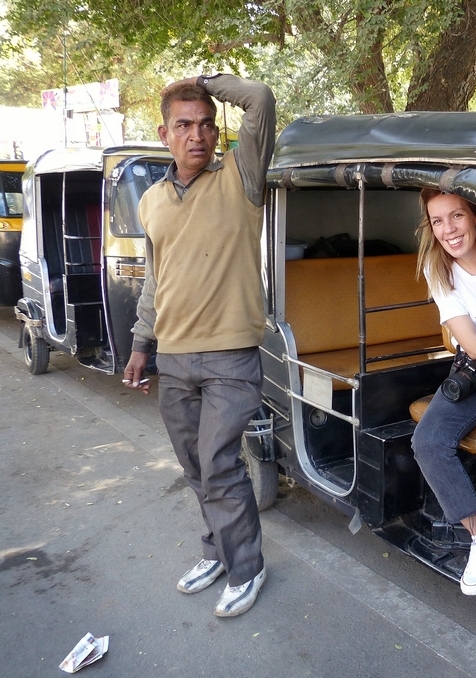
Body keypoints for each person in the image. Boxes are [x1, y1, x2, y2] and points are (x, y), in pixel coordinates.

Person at [123, 74, 276, 617]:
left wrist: (201, 82)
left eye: (207, 124)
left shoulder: (241, 177)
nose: (198, 135)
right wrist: (141, 344)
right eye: (184, 125)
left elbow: (260, 99)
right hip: (173, 356)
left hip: (231, 357)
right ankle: (217, 551)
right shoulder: (152, 202)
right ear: (164, 134)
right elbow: (155, 281)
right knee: (194, 466)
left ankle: (247, 568)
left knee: (218, 463)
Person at [411, 189, 476, 596]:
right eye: (438, 221)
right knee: (428, 441)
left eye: (457, 216)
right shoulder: (440, 270)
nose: (448, 229)